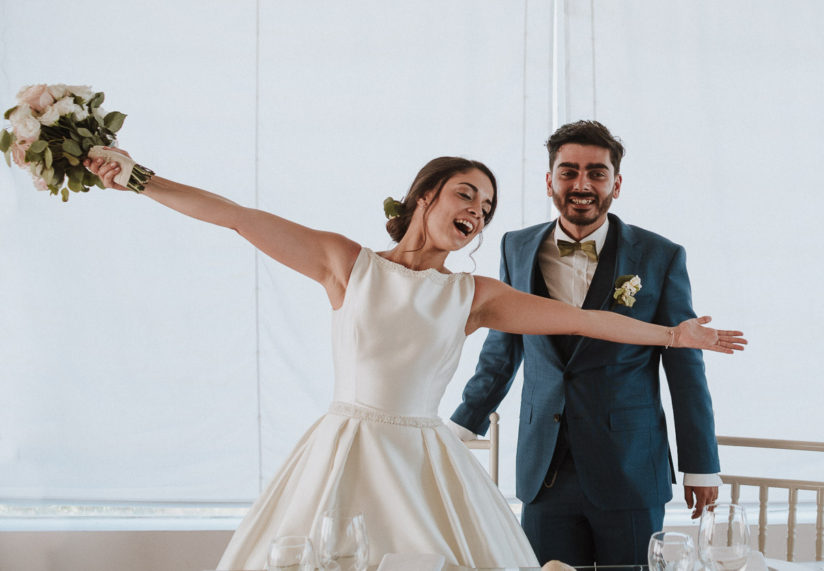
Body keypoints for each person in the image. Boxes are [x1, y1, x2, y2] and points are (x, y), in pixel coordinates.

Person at [84, 146, 745, 570]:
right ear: (424, 195)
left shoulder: (472, 296)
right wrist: (136, 177)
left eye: (486, 207)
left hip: (426, 463)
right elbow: (233, 215)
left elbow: (582, 319)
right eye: (465, 193)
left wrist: (672, 336)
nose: (477, 211)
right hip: (344, 447)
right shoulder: (346, 263)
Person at [450, 120, 734, 566]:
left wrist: (700, 463)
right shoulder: (516, 247)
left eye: (596, 173)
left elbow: (684, 367)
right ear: (550, 180)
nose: (582, 184)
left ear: (616, 184)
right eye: (568, 171)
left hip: (631, 468)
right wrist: (460, 428)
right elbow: (502, 348)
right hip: (544, 469)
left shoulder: (660, 255)